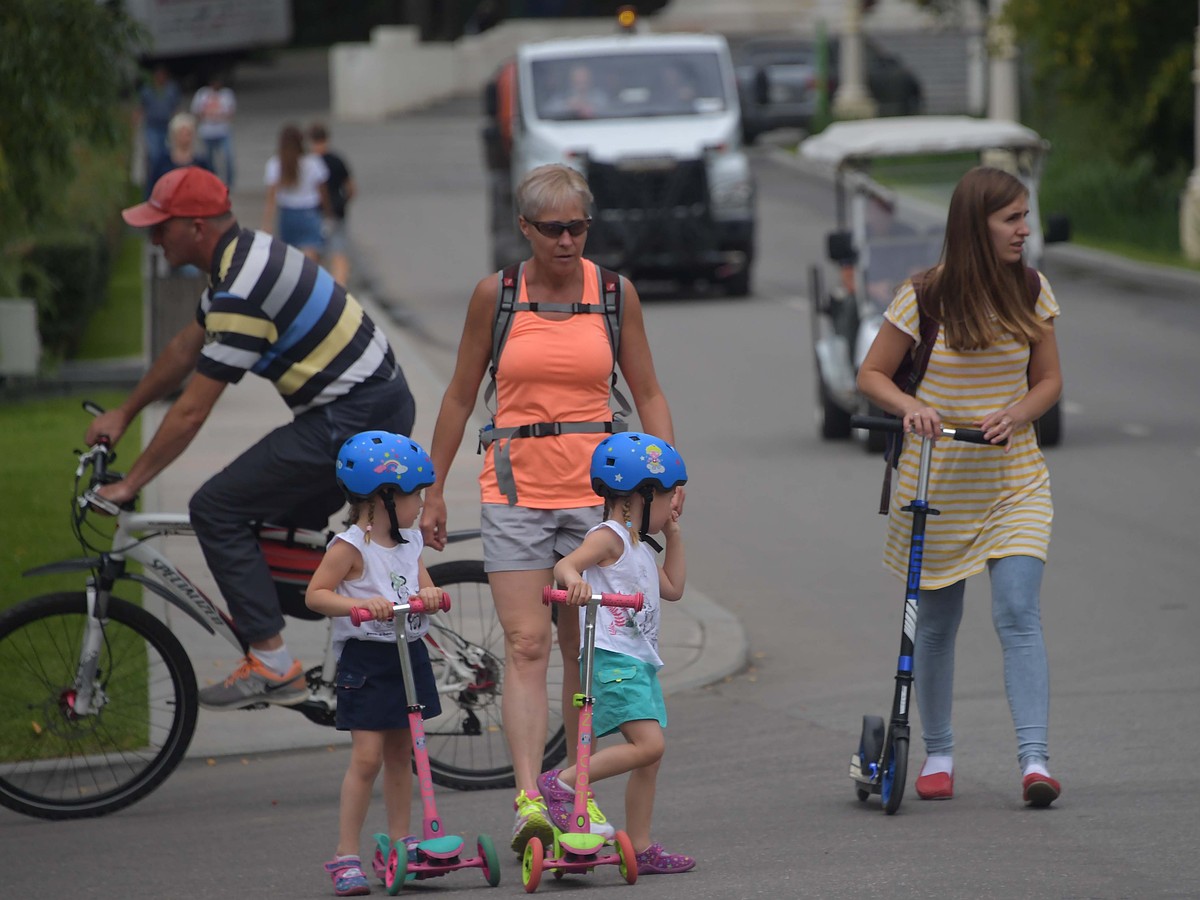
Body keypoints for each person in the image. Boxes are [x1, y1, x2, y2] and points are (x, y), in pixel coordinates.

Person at [418, 163, 679, 853]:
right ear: (525, 229)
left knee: (579, 651)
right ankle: (529, 797)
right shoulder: (497, 296)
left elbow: (648, 393)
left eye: (579, 227)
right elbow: (457, 394)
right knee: (528, 645)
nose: (568, 240)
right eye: (554, 228)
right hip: (515, 493)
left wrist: (667, 479)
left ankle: (576, 793)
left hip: (596, 501)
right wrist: (434, 487)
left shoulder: (615, 294)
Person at [90, 166, 416, 711]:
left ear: (195, 227)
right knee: (274, 534)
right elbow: (183, 349)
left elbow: (194, 409)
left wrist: (133, 485)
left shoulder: (242, 286)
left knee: (216, 508)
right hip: (359, 406)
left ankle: (272, 663)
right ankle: (352, 618)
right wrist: (125, 412)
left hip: (356, 414)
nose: (153, 238)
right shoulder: (239, 261)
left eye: (160, 226)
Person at [856, 165, 1065, 808]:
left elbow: (1049, 381)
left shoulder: (1031, 290)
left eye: (1025, 217)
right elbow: (871, 375)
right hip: (937, 484)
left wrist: (1020, 412)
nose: (1024, 230)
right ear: (977, 227)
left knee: (1017, 614)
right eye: (1012, 219)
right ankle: (939, 751)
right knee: (938, 627)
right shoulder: (922, 296)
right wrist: (909, 408)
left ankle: (1035, 763)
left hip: (1014, 481)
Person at [543, 432, 695, 875]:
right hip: (613, 659)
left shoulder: (639, 545)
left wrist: (674, 532)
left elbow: (674, 589)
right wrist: (575, 581)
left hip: (638, 660)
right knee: (649, 745)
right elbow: (565, 564)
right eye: (669, 499)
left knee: (651, 755)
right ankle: (561, 783)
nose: (672, 507)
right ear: (644, 495)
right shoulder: (609, 537)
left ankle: (641, 845)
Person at [306, 431, 444, 898]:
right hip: (367, 660)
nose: (421, 505)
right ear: (382, 498)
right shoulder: (349, 547)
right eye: (414, 496)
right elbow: (316, 595)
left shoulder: (408, 542)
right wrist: (360, 607)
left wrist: (429, 595)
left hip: (408, 653)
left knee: (401, 755)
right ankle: (346, 855)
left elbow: (423, 584)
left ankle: (402, 843)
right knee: (366, 758)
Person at [262, 123, 331, 262]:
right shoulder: (313, 162)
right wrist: (328, 214)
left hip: (287, 213)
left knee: (290, 256)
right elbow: (323, 191)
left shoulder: (275, 164)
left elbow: (271, 197)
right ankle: (310, 283)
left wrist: (267, 223)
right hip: (309, 211)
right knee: (310, 253)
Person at [308, 122, 356, 285]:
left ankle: (316, 288)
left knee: (314, 253)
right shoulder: (337, 160)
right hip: (337, 212)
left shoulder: (308, 163)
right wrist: (342, 202)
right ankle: (340, 289)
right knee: (339, 253)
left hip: (314, 212)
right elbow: (351, 188)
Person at [146, 112, 212, 198]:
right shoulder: (162, 161)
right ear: (173, 135)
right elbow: (151, 186)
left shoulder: (201, 163)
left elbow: (211, 187)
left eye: (188, 133)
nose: (184, 137)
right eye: (181, 133)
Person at [135, 64, 181, 181]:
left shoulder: (171, 89)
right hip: (152, 125)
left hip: (166, 124)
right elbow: (141, 106)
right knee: (154, 152)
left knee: (166, 151)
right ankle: (154, 176)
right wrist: (136, 118)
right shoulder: (148, 90)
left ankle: (165, 175)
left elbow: (176, 106)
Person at [191, 74, 236, 186]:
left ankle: (229, 183)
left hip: (223, 132)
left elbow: (231, 112)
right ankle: (212, 182)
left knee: (228, 157)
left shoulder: (227, 94)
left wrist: (219, 116)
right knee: (209, 160)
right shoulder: (202, 94)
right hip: (207, 133)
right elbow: (196, 112)